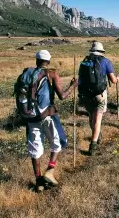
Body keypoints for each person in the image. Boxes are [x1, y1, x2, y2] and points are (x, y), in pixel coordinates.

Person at [24, 50, 77, 192]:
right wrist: (73, 85)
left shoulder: (27, 74)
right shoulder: (52, 74)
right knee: (59, 141)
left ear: (36, 60)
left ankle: (39, 182)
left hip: (31, 116)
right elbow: (62, 96)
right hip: (48, 115)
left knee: (35, 150)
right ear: (48, 61)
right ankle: (50, 170)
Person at [78, 41, 118, 156]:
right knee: (98, 120)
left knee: (91, 117)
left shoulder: (84, 62)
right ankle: (93, 145)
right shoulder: (105, 61)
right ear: (101, 51)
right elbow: (113, 80)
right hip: (99, 95)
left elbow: (80, 79)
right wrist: (117, 79)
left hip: (86, 95)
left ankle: (97, 135)